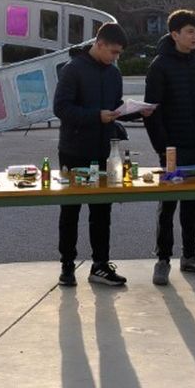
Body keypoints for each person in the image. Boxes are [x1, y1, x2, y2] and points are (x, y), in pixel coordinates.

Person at [53, 22, 139, 287]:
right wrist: (95, 116)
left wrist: (136, 111)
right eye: (112, 52)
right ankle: (67, 265)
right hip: (74, 151)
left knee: (102, 210)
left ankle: (100, 265)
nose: (115, 58)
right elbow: (61, 109)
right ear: (99, 44)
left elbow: (114, 107)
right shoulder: (73, 69)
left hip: (104, 151)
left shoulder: (113, 74)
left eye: (119, 54)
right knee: (71, 209)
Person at [143, 9, 195, 285]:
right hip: (171, 149)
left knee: (193, 205)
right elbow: (151, 112)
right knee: (168, 205)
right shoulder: (159, 66)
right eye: (189, 31)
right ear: (175, 34)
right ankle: (162, 260)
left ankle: (190, 256)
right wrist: (162, 147)